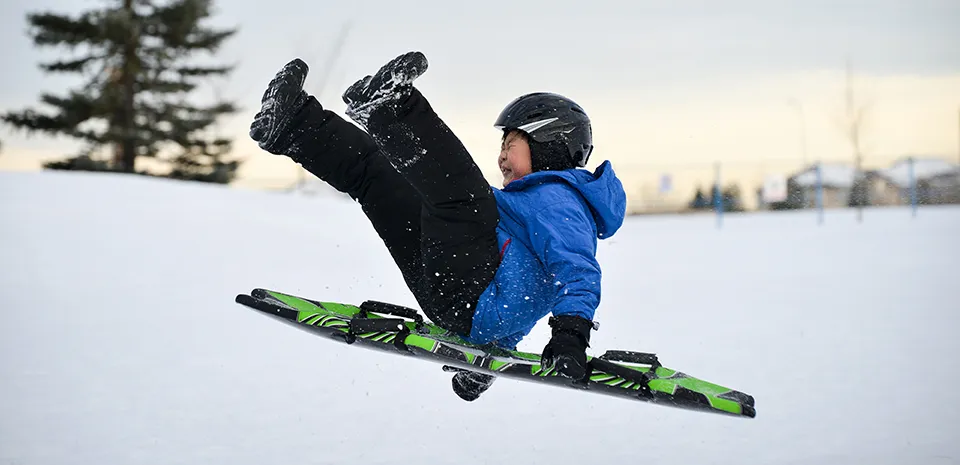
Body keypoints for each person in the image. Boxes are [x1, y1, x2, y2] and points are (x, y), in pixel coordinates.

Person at [249, 51, 626, 402]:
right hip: (454, 295)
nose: (502, 157)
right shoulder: (531, 204)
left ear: (548, 143)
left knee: (466, 195)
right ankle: (290, 124)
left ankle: (391, 107)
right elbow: (524, 295)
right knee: (379, 178)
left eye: (511, 143)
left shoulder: (561, 203)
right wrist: (488, 357)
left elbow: (578, 274)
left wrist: (570, 335)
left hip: (468, 290)